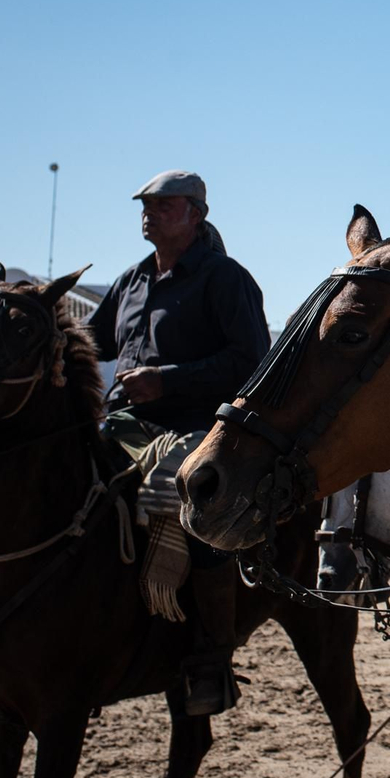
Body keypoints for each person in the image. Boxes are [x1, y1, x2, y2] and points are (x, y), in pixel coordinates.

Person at [88, 170, 269, 716]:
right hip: (123, 425)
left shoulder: (224, 278)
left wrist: (167, 380)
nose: (149, 212)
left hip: (199, 426)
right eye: (146, 204)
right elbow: (87, 342)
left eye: (164, 205)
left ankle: (211, 660)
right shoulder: (131, 282)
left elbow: (250, 360)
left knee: (199, 508)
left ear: (196, 214)